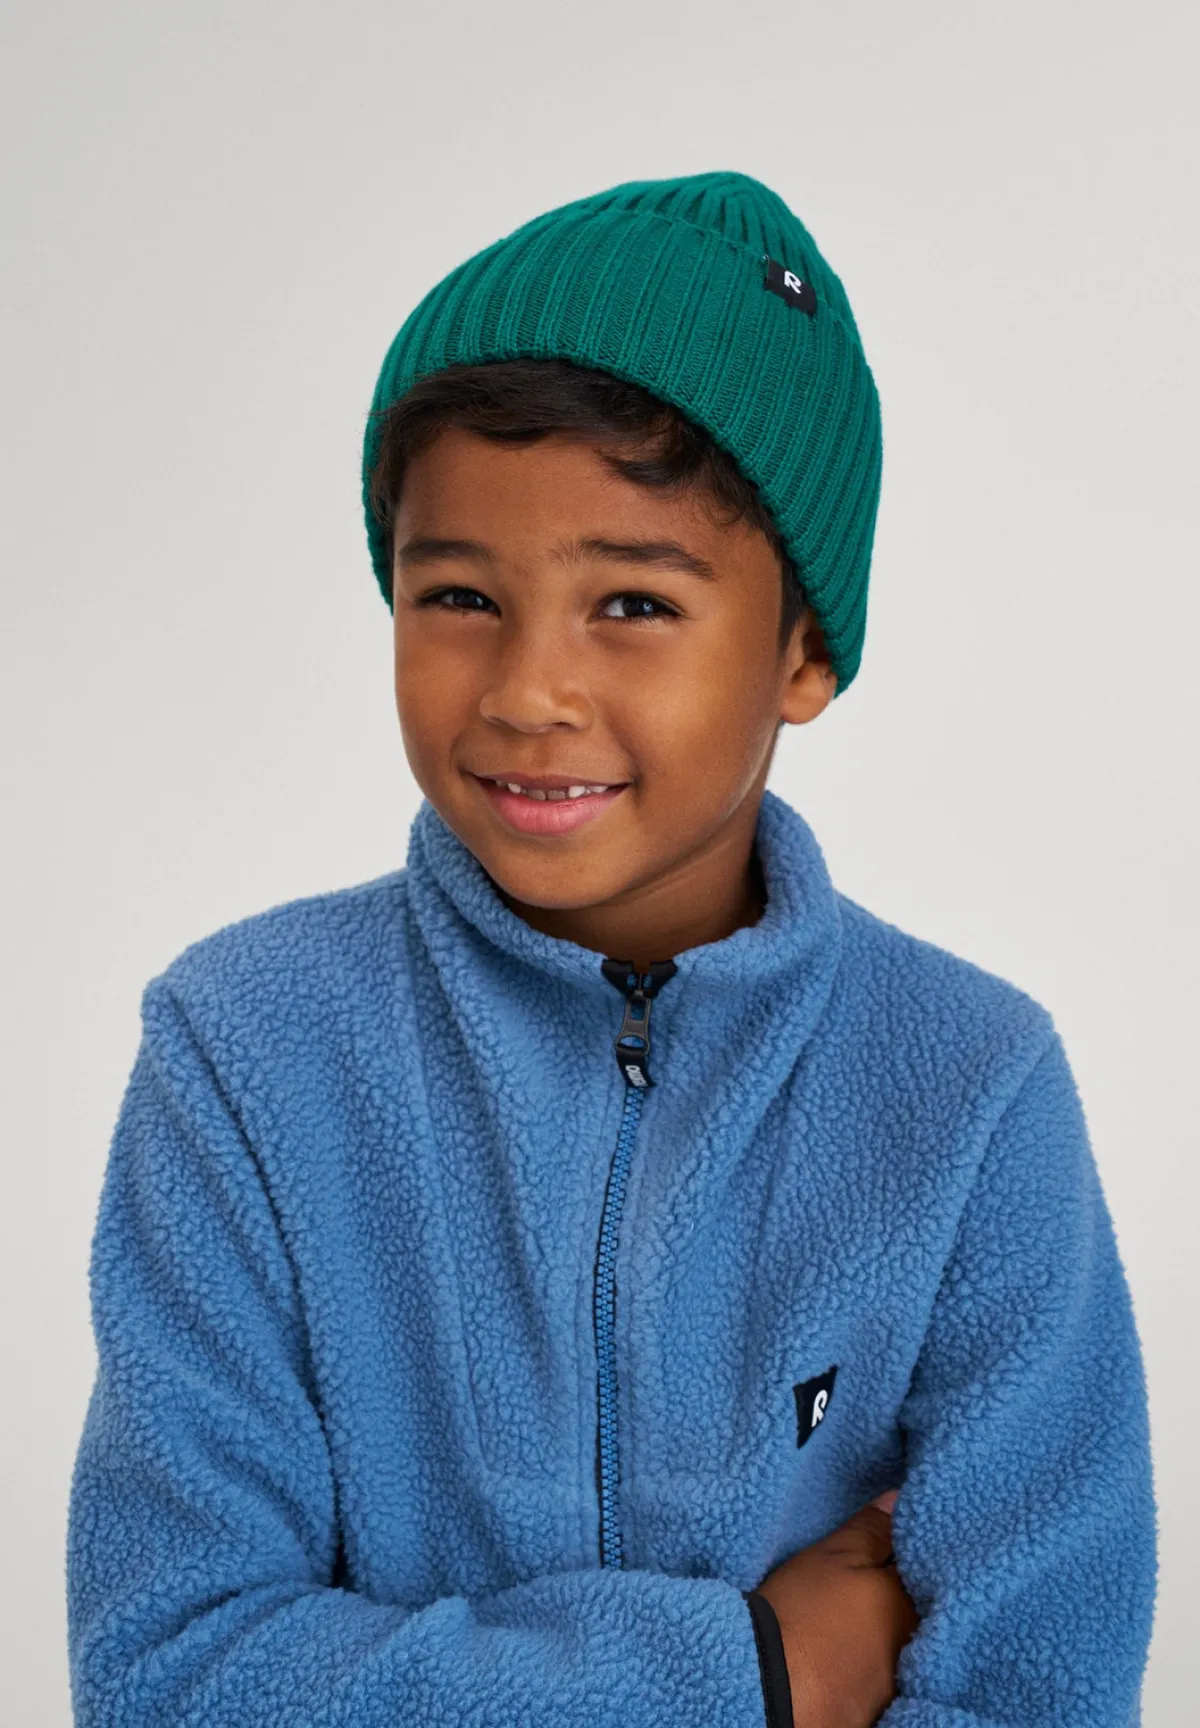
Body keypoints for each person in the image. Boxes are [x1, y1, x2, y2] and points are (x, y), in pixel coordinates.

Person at [65, 171, 1157, 1728]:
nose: (528, 691)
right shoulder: (245, 1052)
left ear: (804, 651)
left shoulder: (970, 1089)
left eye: (632, 602)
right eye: (460, 594)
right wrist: (758, 1675)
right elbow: (168, 1674)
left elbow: (1035, 1681)